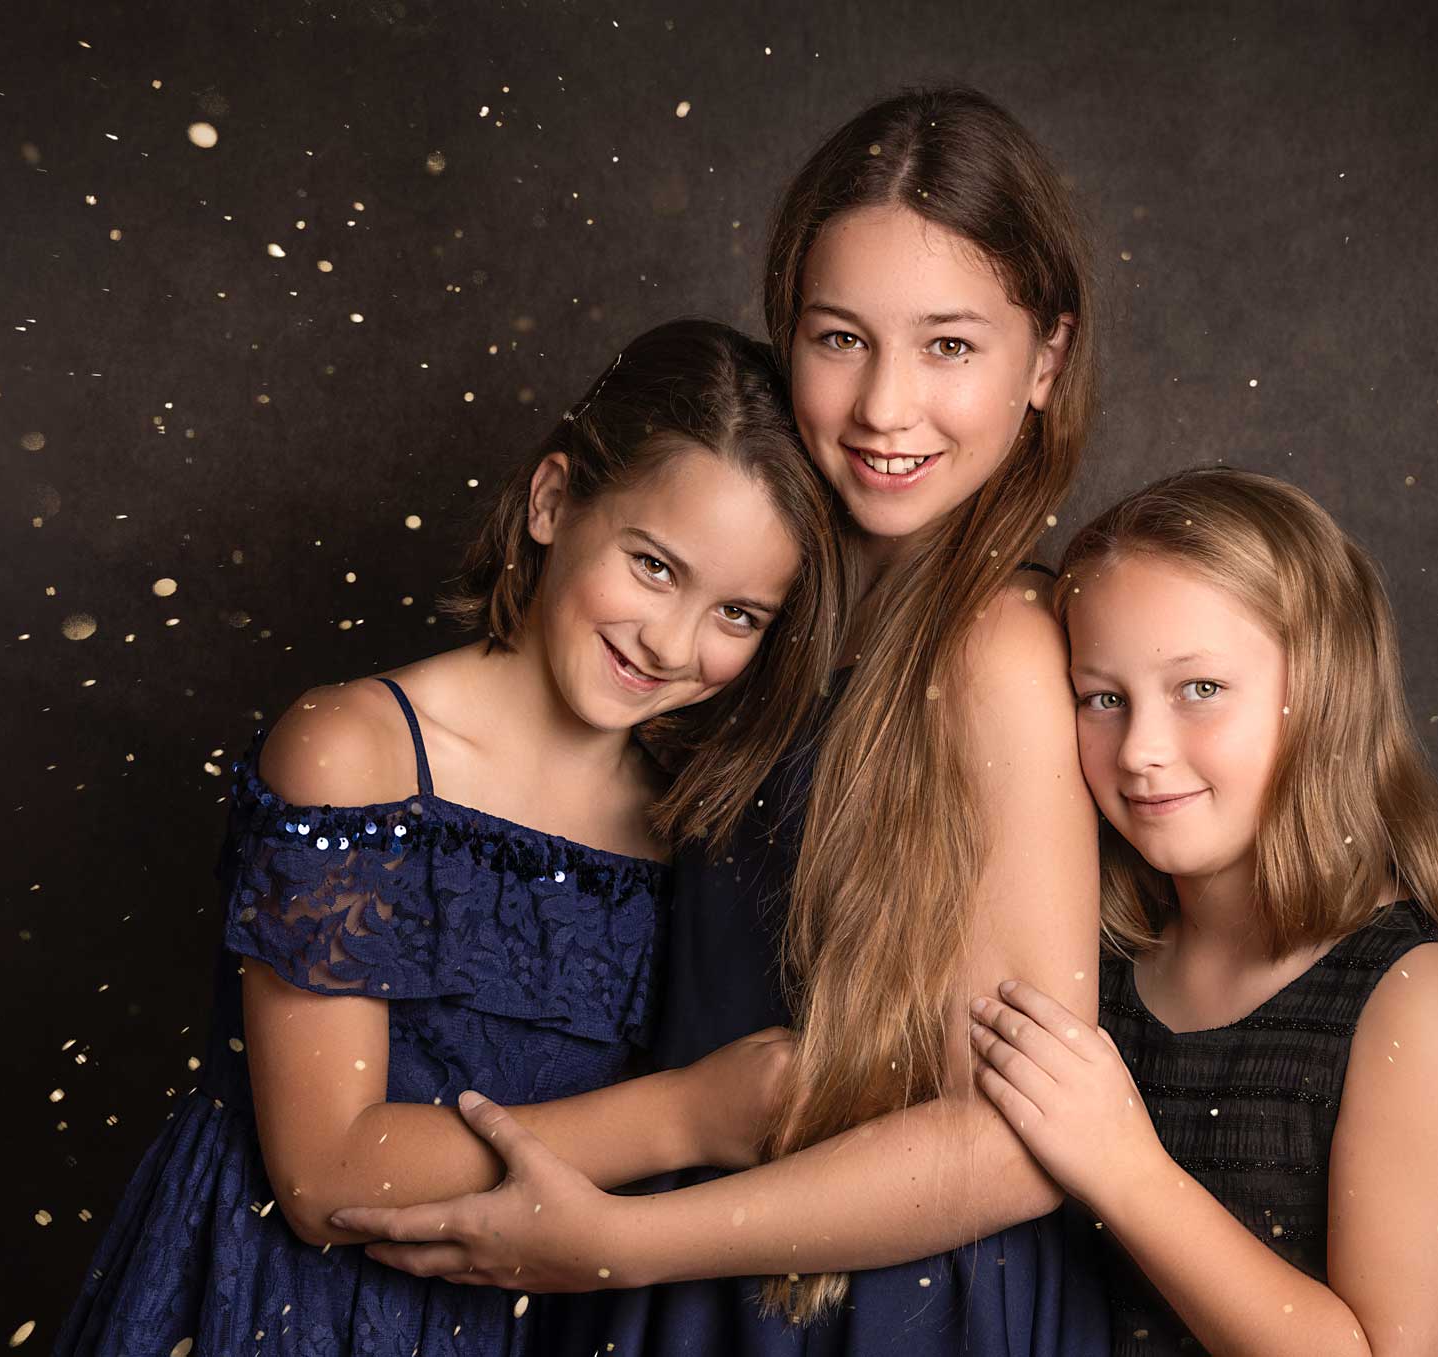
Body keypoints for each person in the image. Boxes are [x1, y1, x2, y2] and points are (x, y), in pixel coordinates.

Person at [335, 87, 1113, 1354]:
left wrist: (622, 1242)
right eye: (840, 338)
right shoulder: (765, 617)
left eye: (952, 347)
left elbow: (1015, 1139)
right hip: (721, 1261)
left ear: (1046, 360)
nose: (884, 408)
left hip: (880, 1300)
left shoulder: (992, 647)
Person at [51, 318, 845, 1356]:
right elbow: (327, 1175)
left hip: (540, 1310)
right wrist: (691, 1115)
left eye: (737, 615)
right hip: (290, 1311)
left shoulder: (691, 820)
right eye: (653, 566)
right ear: (554, 500)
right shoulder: (351, 755)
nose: (672, 642)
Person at [970, 467, 1438, 1355]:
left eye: (1200, 689)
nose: (1143, 752)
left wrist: (1126, 1169)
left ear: (1322, 691)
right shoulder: (1092, 962)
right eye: (1103, 699)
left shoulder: (1426, 1002)